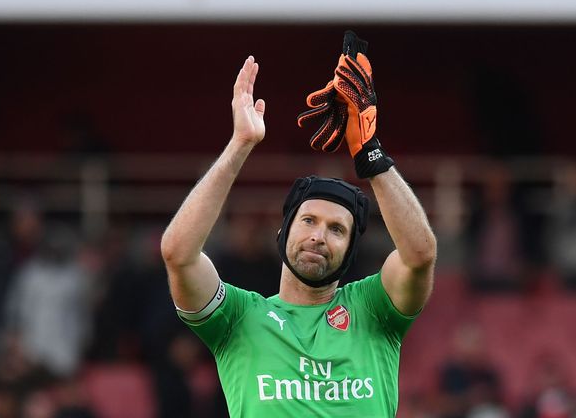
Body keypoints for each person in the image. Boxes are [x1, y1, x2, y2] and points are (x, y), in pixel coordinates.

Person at [160, 32, 437, 417]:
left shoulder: (375, 309)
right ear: (282, 232)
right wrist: (240, 144)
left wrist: (370, 154)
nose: (318, 236)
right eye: (308, 220)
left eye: (337, 229)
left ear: (350, 250)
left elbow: (420, 256)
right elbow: (178, 254)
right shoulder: (239, 319)